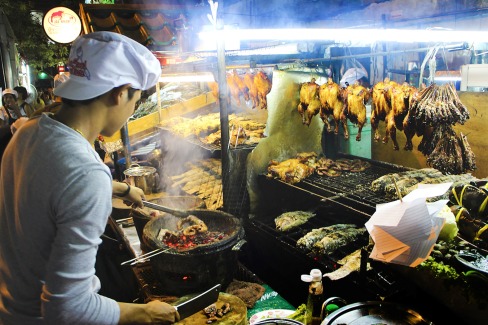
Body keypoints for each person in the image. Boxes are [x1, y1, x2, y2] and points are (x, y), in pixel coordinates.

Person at [0, 31, 178, 324]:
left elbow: (53, 186)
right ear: (120, 93)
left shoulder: (29, 132)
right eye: (135, 101)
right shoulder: (85, 172)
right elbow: (69, 309)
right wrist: (145, 312)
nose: (132, 112)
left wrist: (120, 188)